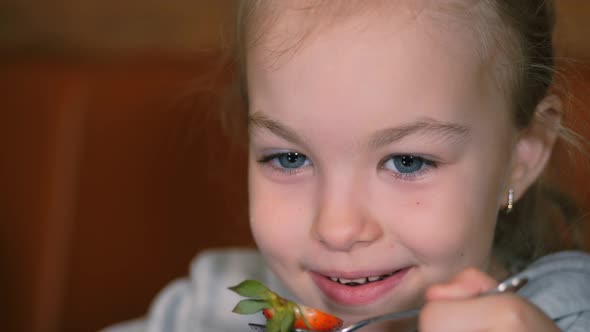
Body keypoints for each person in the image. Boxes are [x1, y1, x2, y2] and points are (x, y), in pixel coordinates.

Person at [104, 1, 590, 331]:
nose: (337, 229)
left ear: (521, 156)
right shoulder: (216, 309)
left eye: (407, 161)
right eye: (289, 157)